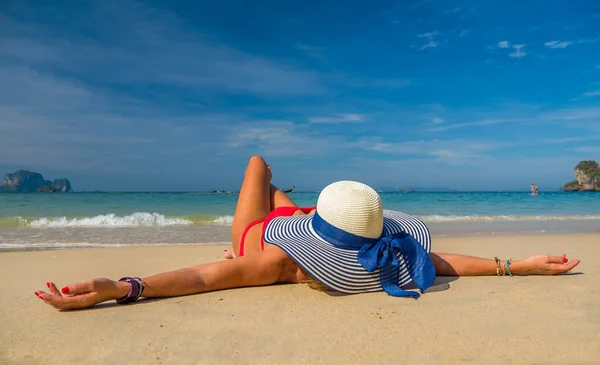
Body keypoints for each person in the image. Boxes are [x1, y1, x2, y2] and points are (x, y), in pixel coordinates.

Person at [35, 156, 580, 311]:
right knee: (283, 195)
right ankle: (287, 198)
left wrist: (124, 287)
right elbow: (441, 262)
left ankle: (275, 188)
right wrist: (516, 265)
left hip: (266, 235)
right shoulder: (384, 256)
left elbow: (205, 275)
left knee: (257, 166)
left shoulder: (274, 263)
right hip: (304, 226)